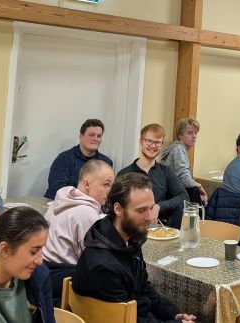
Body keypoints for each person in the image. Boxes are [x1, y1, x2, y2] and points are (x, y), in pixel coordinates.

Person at [73, 173, 196, 323]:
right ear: (118, 209)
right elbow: (126, 319)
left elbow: (143, 288)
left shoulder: (129, 239)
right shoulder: (103, 266)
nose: (151, 217)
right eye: (141, 210)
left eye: (151, 208)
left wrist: (173, 314)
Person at [42, 160, 114, 304]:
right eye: (106, 184)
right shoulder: (86, 212)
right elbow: (94, 259)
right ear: (87, 184)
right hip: (62, 281)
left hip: (42, 273)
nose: (110, 191)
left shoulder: (60, 200)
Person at [118, 124, 188, 228]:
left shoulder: (166, 172)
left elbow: (184, 196)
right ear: (141, 142)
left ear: (162, 145)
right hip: (132, 228)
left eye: (157, 142)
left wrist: (159, 206)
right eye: (149, 141)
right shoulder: (124, 174)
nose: (153, 145)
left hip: (161, 229)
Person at [45, 119, 114, 199]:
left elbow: (108, 192)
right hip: (61, 205)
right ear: (81, 136)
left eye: (99, 136)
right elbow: (56, 191)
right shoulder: (64, 159)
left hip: (94, 208)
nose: (96, 139)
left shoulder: (106, 162)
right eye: (91, 135)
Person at [162, 118, 208, 204]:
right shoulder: (178, 150)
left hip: (173, 193)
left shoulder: (179, 149)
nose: (194, 136)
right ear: (180, 136)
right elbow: (185, 179)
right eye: (190, 133)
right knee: (195, 191)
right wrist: (199, 186)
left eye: (195, 133)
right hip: (172, 195)